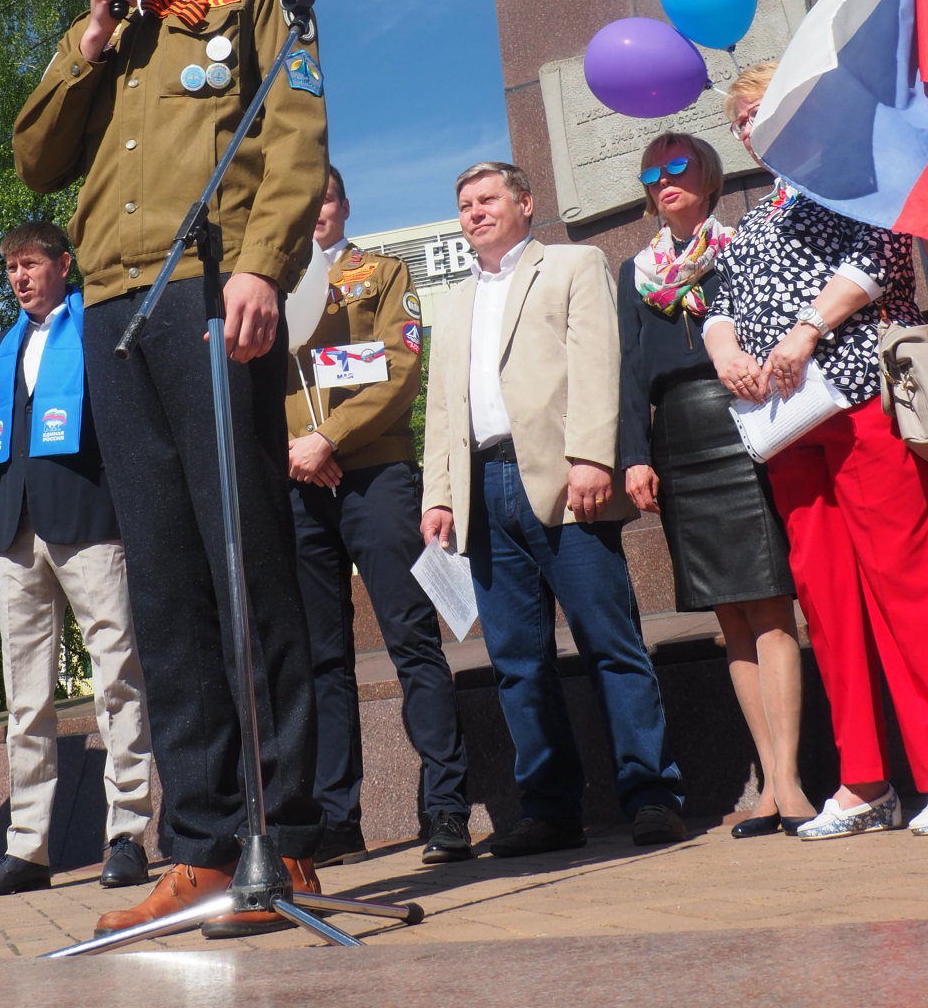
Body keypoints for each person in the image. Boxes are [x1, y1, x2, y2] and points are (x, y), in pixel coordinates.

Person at [12, 0, 328, 938]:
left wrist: (262, 265)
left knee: (245, 560)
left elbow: (294, 134)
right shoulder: (106, 21)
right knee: (162, 580)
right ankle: (198, 844)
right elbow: (37, 159)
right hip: (113, 307)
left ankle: (283, 837)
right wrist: (90, 38)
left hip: (208, 289)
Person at [705, 63, 928, 839]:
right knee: (828, 604)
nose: (748, 127)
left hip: (865, 399)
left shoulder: (855, 174)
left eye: (759, 110)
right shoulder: (755, 218)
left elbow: (882, 258)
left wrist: (806, 331)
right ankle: (864, 783)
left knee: (906, 582)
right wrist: (725, 350)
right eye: (739, 120)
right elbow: (719, 303)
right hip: (790, 426)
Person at [421, 160, 685, 853]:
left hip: (567, 480)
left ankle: (651, 794)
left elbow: (599, 361)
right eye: (466, 205)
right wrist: (439, 494)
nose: (476, 212)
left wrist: (593, 454)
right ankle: (548, 810)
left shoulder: (571, 264)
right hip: (483, 489)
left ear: (525, 202)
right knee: (517, 662)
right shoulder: (453, 302)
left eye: (488, 199)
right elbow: (443, 408)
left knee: (610, 642)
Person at [616, 132, 812, 836]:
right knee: (729, 616)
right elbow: (629, 369)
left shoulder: (741, 245)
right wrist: (634, 455)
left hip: (743, 423)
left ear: (710, 177)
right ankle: (768, 784)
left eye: (679, 166)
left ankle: (790, 781)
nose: (664, 179)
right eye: (653, 172)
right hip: (679, 439)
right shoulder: (636, 271)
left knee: (769, 605)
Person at [0, 221, 154, 900]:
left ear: (63, 264)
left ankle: (127, 834)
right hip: (17, 534)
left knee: (117, 678)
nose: (19, 277)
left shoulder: (97, 328)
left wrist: (131, 519)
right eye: (11, 267)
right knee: (25, 698)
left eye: (31, 264)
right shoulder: (3, 345)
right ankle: (28, 848)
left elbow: (127, 430)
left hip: (91, 524)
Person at [286, 167, 472, 865]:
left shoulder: (383, 274)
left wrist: (330, 437)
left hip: (375, 477)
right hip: (298, 481)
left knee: (411, 639)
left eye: (326, 198)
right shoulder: (271, 290)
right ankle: (339, 819)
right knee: (321, 657)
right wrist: (296, 450)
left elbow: (398, 366)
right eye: (305, 200)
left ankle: (446, 806)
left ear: (344, 205)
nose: (316, 210)